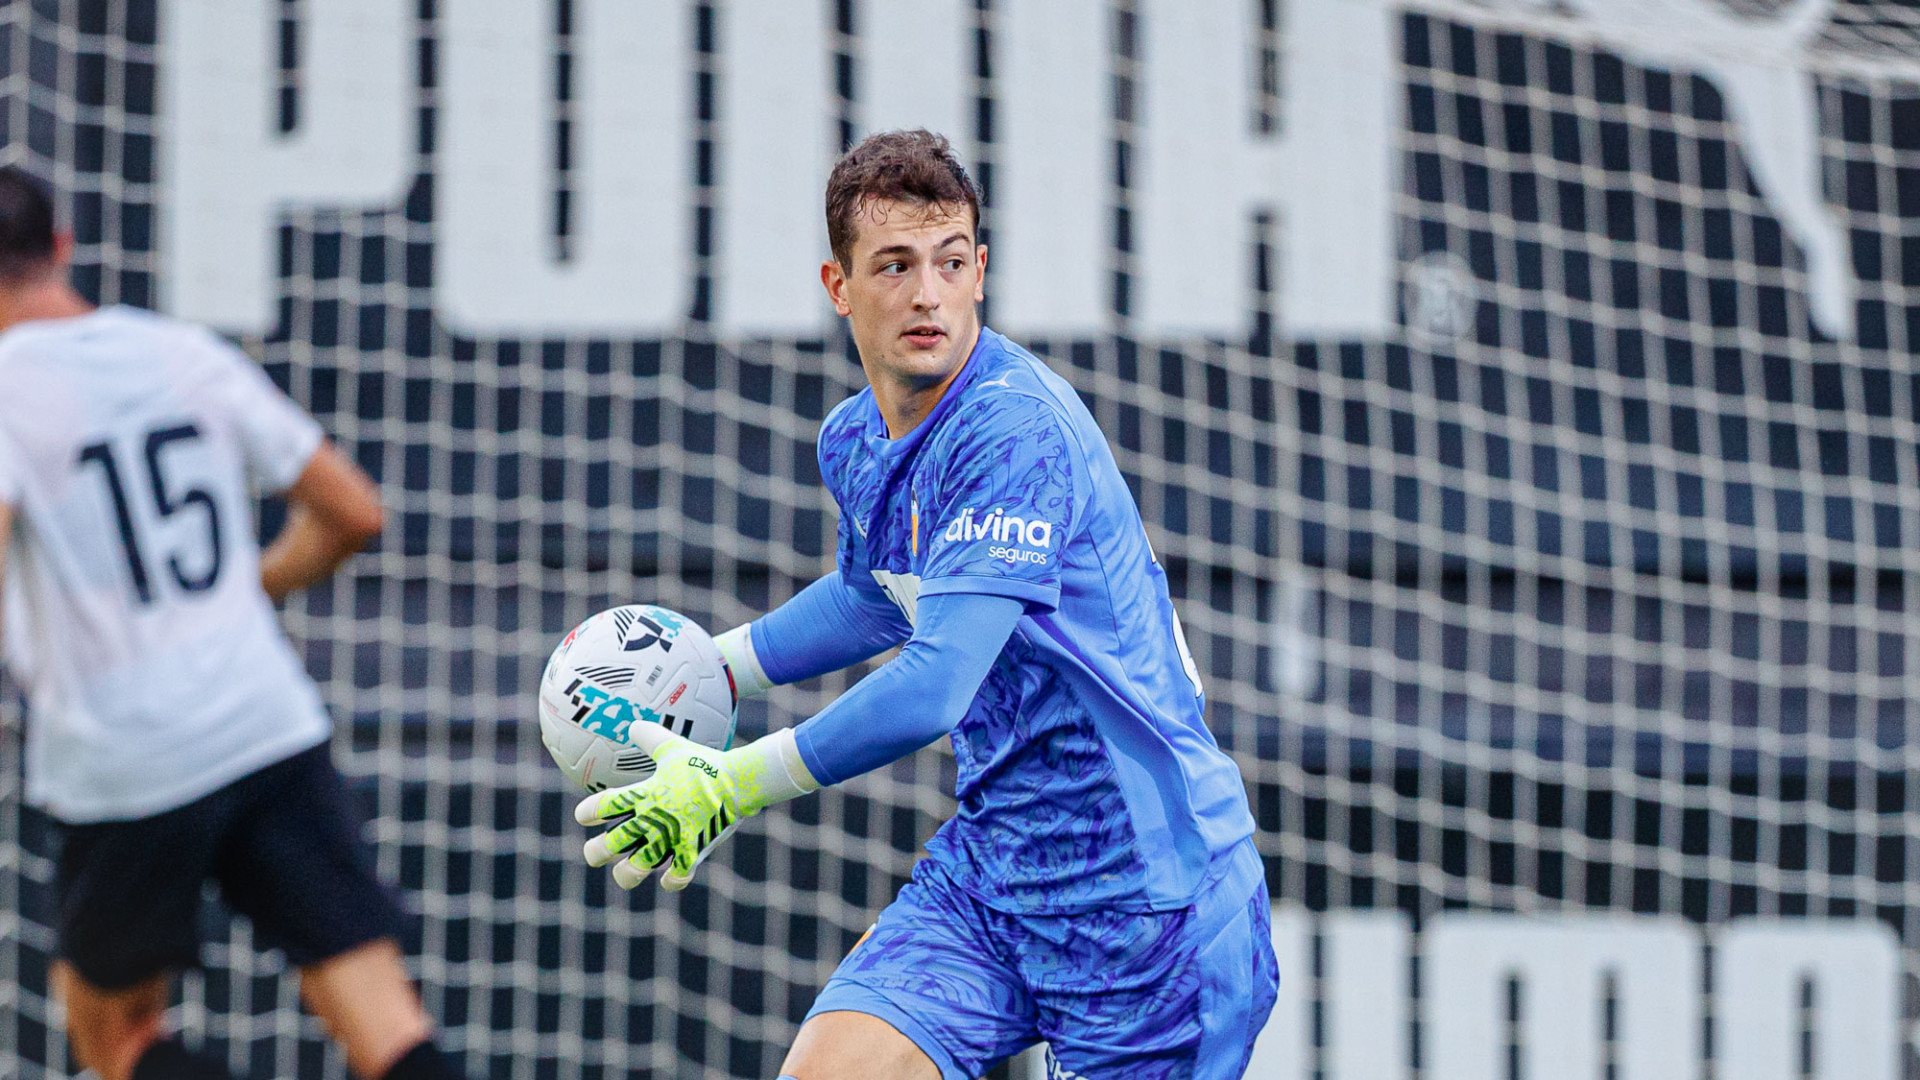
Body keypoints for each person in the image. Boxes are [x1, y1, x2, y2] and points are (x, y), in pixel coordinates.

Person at [575, 130, 1278, 1078]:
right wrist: (716, 667)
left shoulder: (1011, 431)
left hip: (1149, 909)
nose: (927, 294)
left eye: (950, 263)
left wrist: (732, 781)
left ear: (979, 271)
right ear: (839, 286)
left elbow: (933, 685)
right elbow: (877, 600)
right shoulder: (855, 440)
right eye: (895, 265)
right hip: (995, 878)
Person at [0, 167, 463, 1080]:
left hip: (124, 756)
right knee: (383, 1019)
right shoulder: (179, 350)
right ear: (62, 247)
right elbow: (355, 513)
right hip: (264, 721)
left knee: (116, 1033)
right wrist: (246, 589)